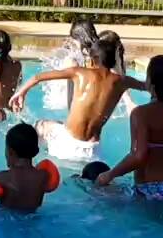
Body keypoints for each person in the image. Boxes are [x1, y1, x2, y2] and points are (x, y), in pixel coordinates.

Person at [10, 39, 147, 161]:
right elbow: (147, 86)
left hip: (66, 145)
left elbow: (38, 77)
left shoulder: (79, 72)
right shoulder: (122, 81)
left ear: (92, 60)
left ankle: (25, 167)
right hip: (93, 152)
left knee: (40, 125)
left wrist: (20, 93)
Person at [95, 56, 163, 201]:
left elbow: (138, 156)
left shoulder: (140, 114)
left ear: (151, 84)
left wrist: (109, 175)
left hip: (150, 188)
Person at [0, 123, 60, 211]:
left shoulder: (2, 178)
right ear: (36, 151)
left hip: (6, 224)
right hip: (33, 223)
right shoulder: (44, 176)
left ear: (10, 152)